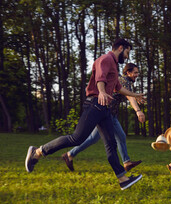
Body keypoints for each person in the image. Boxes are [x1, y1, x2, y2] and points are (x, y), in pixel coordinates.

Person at [25, 39, 145, 190]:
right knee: (77, 138)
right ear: (120, 48)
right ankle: (38, 151)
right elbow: (99, 77)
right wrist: (101, 91)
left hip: (105, 109)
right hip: (94, 104)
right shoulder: (106, 59)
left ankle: (122, 179)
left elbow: (118, 88)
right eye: (127, 52)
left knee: (111, 145)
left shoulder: (114, 64)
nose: (127, 56)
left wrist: (135, 95)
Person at [61, 63, 145, 172]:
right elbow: (129, 96)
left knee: (116, 137)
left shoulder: (120, 79)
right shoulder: (126, 81)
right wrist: (138, 111)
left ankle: (127, 162)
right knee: (98, 139)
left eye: (137, 72)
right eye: (135, 72)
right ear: (128, 73)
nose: (137, 75)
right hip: (106, 113)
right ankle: (69, 154)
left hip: (109, 113)